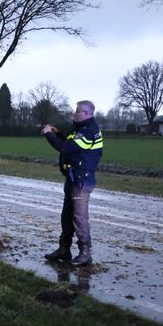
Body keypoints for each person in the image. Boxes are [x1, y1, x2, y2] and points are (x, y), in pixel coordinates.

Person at [41, 100, 103, 267]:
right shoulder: (79, 129)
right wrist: (58, 132)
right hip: (73, 177)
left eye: (78, 111)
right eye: (75, 111)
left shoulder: (88, 131)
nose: (75, 113)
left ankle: (85, 253)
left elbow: (66, 148)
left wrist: (48, 134)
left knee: (79, 217)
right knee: (67, 215)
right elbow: (69, 143)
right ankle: (64, 249)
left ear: (87, 113)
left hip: (82, 180)